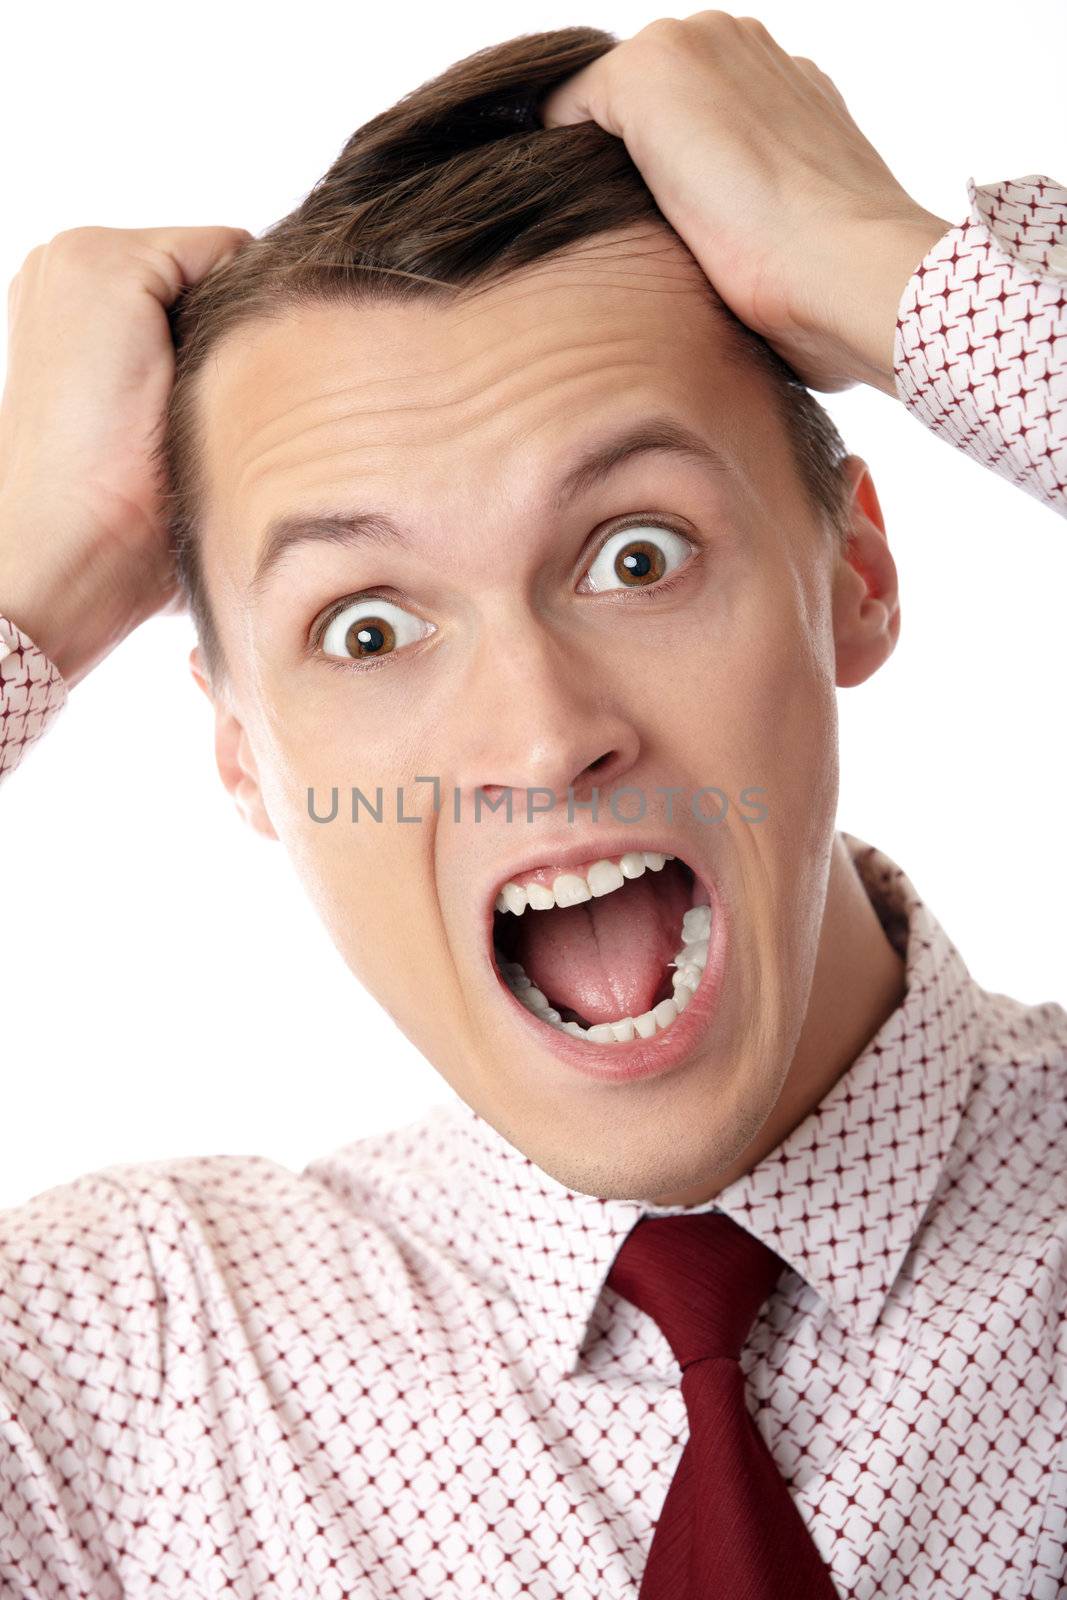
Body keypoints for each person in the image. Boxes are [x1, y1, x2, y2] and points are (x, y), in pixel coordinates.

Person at [0, 15, 1064, 1600]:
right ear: (240, 754)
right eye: (368, 627)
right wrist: (25, 577)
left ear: (853, 572)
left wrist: (889, 272)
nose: (545, 737)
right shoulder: (106, 1369)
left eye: (638, 554)